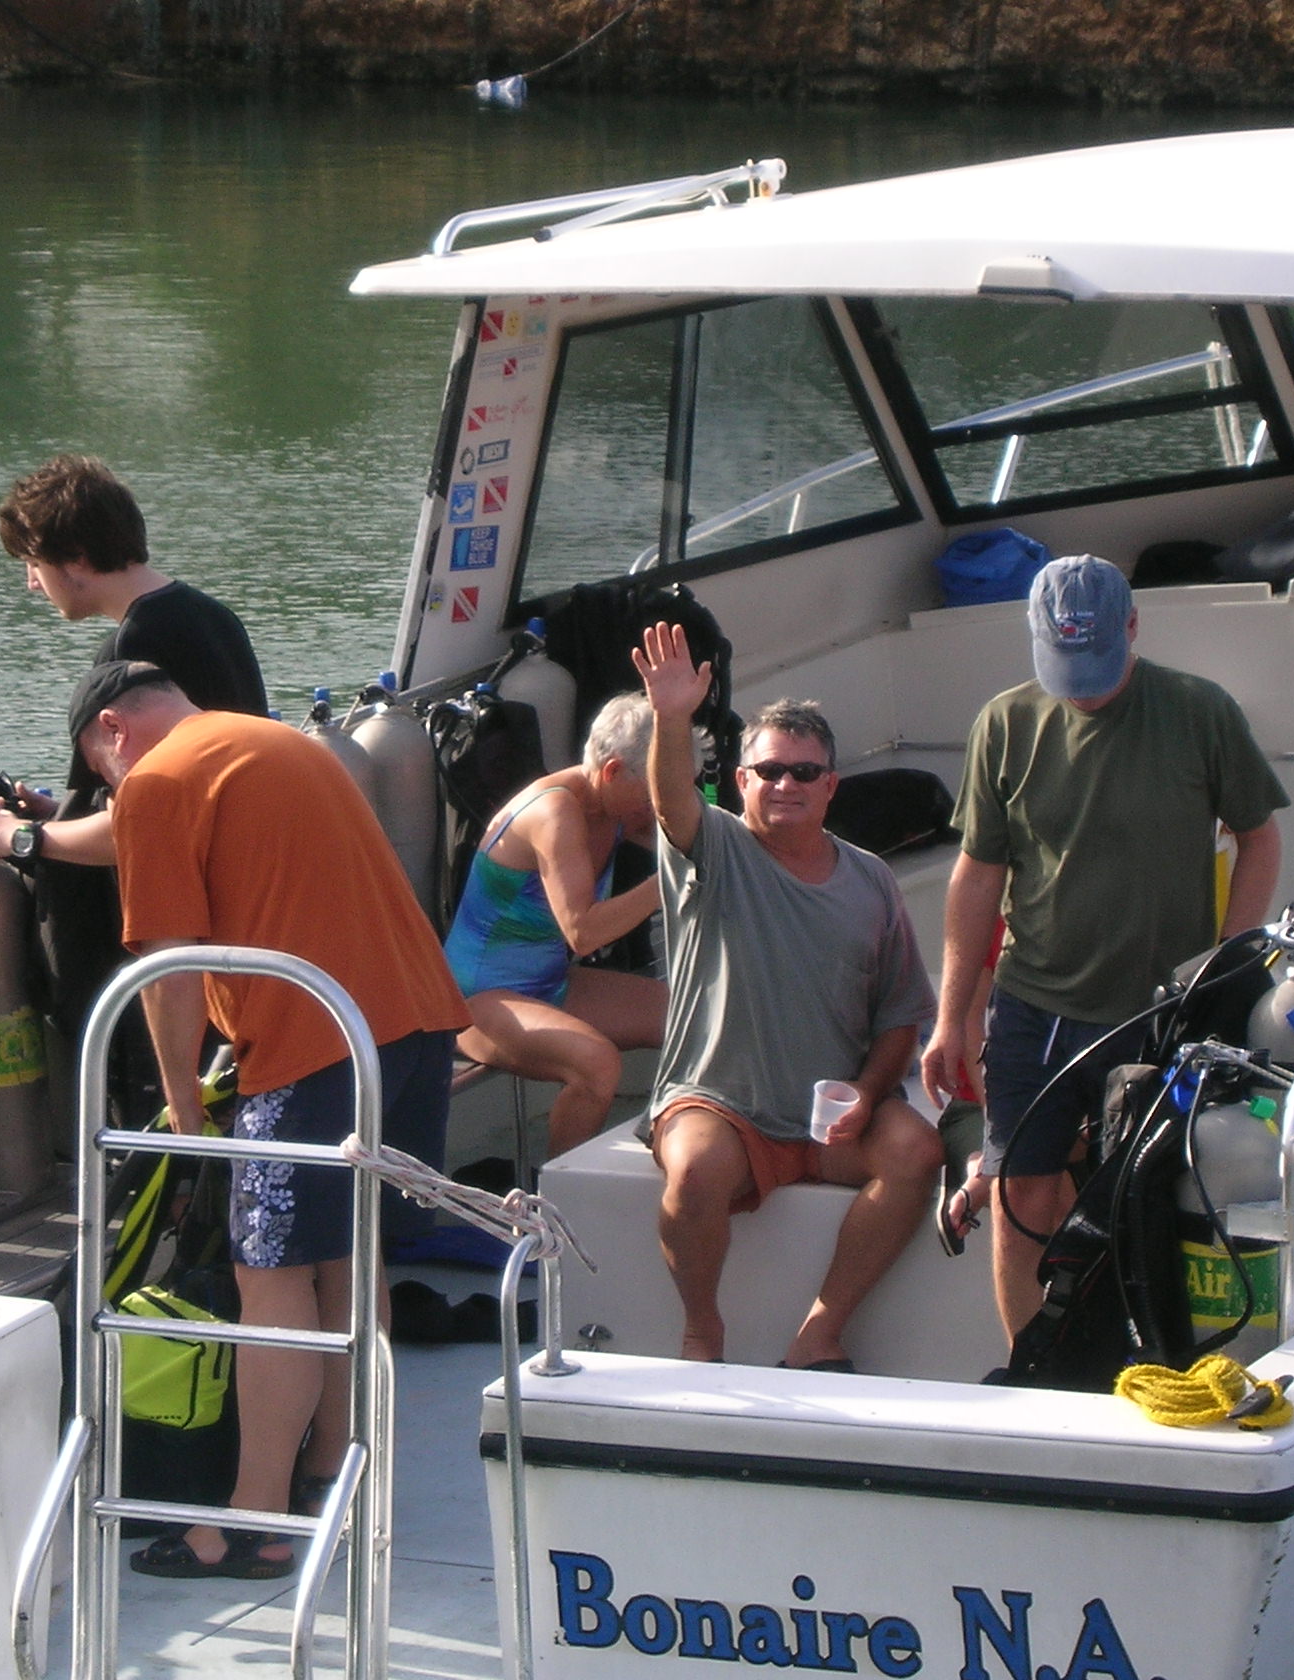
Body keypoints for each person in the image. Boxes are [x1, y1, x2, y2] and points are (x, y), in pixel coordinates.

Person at [77, 661, 464, 1580]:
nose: (110, 792)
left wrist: (178, 1104)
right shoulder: (276, 742)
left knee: (273, 1281)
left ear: (113, 732)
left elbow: (167, 967)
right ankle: (333, 1466)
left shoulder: (159, 778)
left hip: (313, 1044)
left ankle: (248, 1525)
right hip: (413, 1027)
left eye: (101, 775)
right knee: (346, 1259)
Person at [920, 554, 1287, 1348]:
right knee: (1019, 1196)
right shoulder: (1005, 724)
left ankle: (1151, 1350)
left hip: (1161, 1008)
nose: (1082, 686)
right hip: (1036, 1001)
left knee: (1149, 1190)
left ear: (1132, 628)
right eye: (1065, 666)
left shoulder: (1200, 712)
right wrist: (953, 1016)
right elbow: (978, 874)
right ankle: (1030, 1362)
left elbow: (1258, 837)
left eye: (1097, 665)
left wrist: (1226, 962)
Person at [630, 623, 940, 1371]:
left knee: (915, 1149)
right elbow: (673, 797)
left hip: (828, 1119)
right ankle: (703, 1331)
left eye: (804, 773)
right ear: (741, 783)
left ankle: (820, 1331)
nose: (784, 785)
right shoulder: (715, 852)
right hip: (718, 1104)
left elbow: (903, 1014)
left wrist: (869, 1094)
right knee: (695, 1170)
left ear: (832, 786)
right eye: (768, 772)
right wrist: (673, 718)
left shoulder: (871, 880)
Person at [0, 455, 266, 1119]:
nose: (32, 587)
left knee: (172, 1114)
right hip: (242, 907)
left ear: (71, 558)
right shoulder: (211, 617)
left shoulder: (133, 652)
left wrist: (20, 837)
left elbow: (143, 828)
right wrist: (60, 809)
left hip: (185, 933)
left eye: (31, 566)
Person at [443, 690, 667, 1160]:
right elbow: (582, 933)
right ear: (611, 772)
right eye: (651, 791)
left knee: (690, 1014)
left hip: (547, 984)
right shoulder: (554, 813)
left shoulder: (616, 807)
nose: (655, 805)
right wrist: (669, 882)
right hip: (475, 999)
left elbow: (692, 832)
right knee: (598, 1065)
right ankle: (558, 1211)